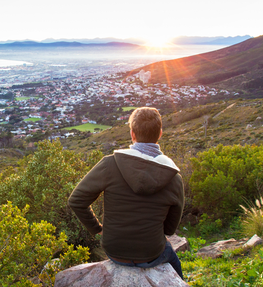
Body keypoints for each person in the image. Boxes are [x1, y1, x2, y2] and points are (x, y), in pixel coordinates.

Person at [68, 107, 184, 279]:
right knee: (175, 264)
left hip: (114, 250)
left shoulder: (109, 165)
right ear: (160, 133)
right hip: (151, 252)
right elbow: (169, 229)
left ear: (132, 134)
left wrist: (98, 229)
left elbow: (76, 200)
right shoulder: (174, 178)